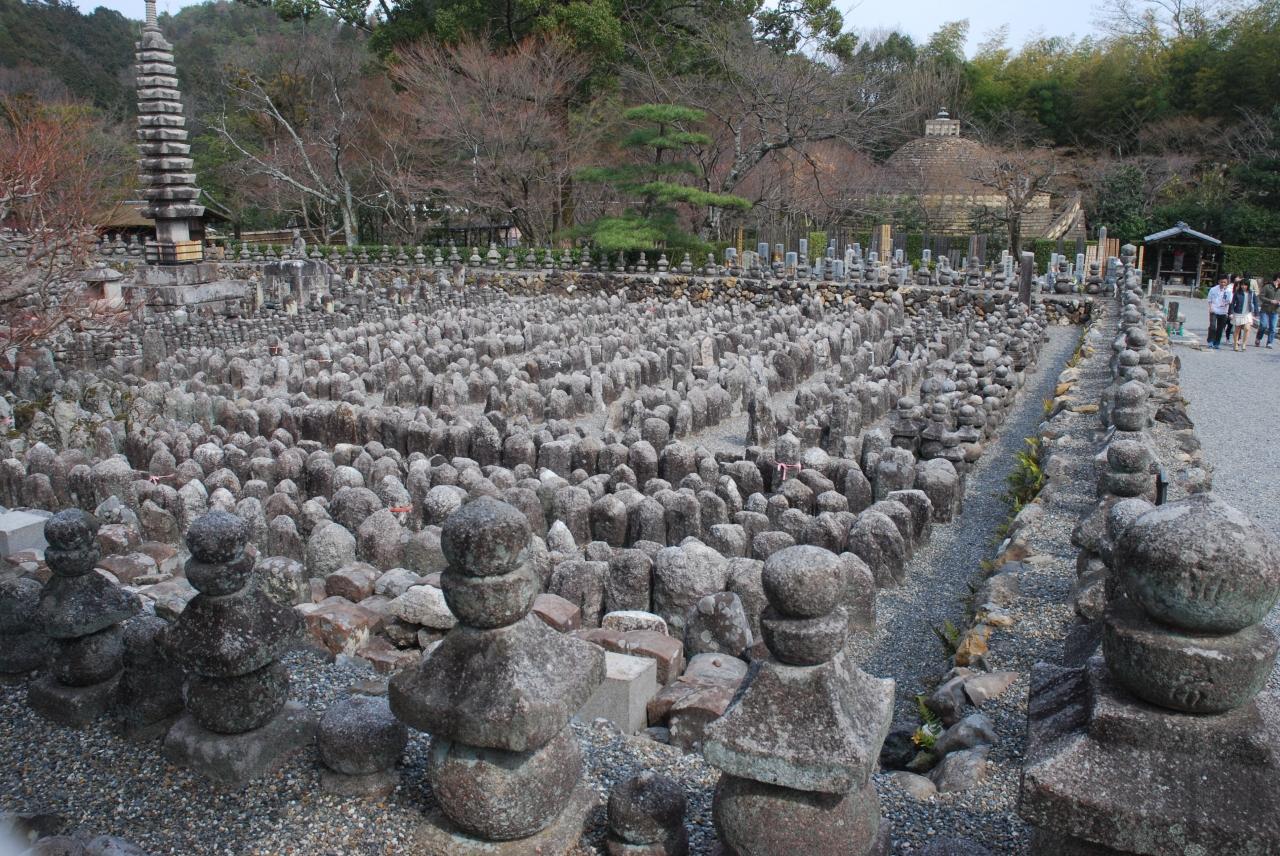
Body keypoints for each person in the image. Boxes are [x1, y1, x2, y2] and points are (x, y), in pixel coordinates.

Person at [1230, 278, 1259, 351]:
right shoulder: (1237, 293)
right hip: (1238, 313)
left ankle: (1244, 344)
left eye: (1245, 285)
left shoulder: (1251, 293)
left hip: (1247, 313)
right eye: (1242, 285)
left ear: (1248, 285)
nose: (1243, 286)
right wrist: (1231, 313)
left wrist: (1256, 312)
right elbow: (1232, 303)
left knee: (1247, 328)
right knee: (1237, 330)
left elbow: (1255, 303)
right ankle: (1235, 344)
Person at [1206, 274, 1232, 350]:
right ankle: (1210, 341)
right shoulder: (1213, 289)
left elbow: (1230, 301)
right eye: (1221, 282)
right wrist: (1210, 308)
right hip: (1214, 309)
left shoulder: (1229, 291)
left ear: (1227, 282)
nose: (1223, 284)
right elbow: (1209, 300)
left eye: (1224, 282)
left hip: (1223, 311)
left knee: (1220, 328)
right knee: (1212, 326)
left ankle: (1217, 343)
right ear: (1218, 282)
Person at [1257, 273, 1280, 349]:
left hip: (1275, 311)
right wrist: (1270, 301)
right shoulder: (1267, 286)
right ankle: (1258, 338)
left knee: (1273, 328)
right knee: (1263, 325)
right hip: (1265, 310)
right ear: (1277, 278)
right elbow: (1261, 296)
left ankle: (1269, 343)